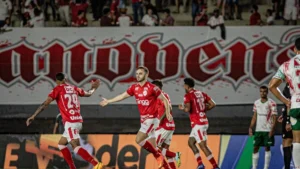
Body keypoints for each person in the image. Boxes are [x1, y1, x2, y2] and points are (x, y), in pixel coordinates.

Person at [26, 73, 107, 169]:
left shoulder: (57, 90)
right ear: (65, 79)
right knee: (61, 144)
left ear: (56, 81)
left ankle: (96, 164)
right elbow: (88, 93)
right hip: (77, 121)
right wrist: (94, 88)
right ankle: (72, 167)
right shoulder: (73, 88)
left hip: (70, 123)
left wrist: (33, 115)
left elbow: (45, 104)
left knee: (76, 146)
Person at [100, 66, 172, 169]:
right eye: (137, 73)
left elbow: (164, 100)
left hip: (152, 119)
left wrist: (168, 113)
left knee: (138, 140)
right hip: (144, 120)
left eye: (140, 73)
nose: (138, 75)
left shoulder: (152, 88)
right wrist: (109, 101)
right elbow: (122, 96)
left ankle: (158, 156)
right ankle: (166, 165)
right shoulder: (134, 88)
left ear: (146, 75)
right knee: (154, 148)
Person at [269, 37, 300, 169]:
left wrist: (286, 101)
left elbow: (271, 86)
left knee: (297, 140)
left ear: (295, 49)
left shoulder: (286, 65)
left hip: (295, 105)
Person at [178, 78, 219, 169]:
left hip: (198, 124)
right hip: (201, 122)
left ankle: (215, 166)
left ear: (187, 86)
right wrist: (203, 110)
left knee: (203, 146)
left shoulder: (187, 95)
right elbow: (213, 104)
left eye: (184, 85)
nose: (184, 86)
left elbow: (188, 109)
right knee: (191, 142)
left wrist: (182, 108)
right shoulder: (201, 93)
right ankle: (200, 164)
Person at [152, 80, 181, 169]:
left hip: (164, 126)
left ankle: (175, 155)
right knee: (165, 150)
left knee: (154, 147)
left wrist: (160, 120)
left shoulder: (162, 96)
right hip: (169, 126)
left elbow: (169, 108)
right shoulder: (159, 96)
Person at [249, 86, 277, 169]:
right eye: (261, 91)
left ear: (267, 92)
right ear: (259, 92)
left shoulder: (272, 103)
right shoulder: (256, 103)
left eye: (264, 91)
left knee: (267, 148)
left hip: (267, 129)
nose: (262, 93)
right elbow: (254, 116)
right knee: (255, 148)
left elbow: (274, 117)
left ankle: (266, 167)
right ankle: (254, 167)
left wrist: (272, 129)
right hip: (258, 130)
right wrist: (250, 127)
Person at [277, 83, 293, 169]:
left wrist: (288, 120)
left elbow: (289, 103)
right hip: (289, 114)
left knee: (288, 141)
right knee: (290, 141)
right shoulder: (290, 82)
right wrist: (284, 114)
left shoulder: (291, 83)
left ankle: (288, 167)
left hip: (292, 115)